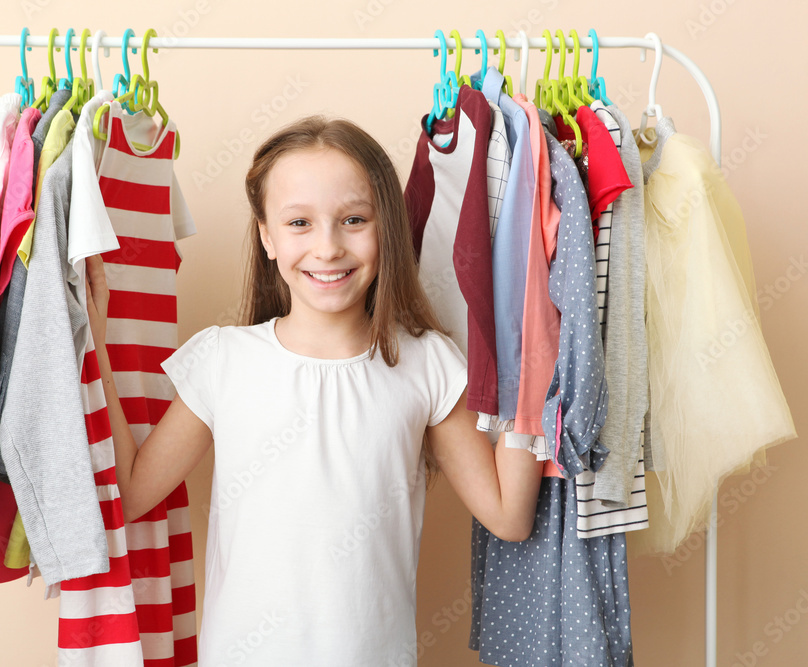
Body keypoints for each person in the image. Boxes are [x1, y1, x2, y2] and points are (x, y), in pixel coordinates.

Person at [83, 115, 543, 666]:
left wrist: (529, 345)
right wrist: (95, 343)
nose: (327, 248)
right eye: (299, 222)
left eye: (353, 219)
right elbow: (132, 493)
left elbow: (509, 517)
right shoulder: (224, 359)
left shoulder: (427, 362)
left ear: (386, 228)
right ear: (267, 236)